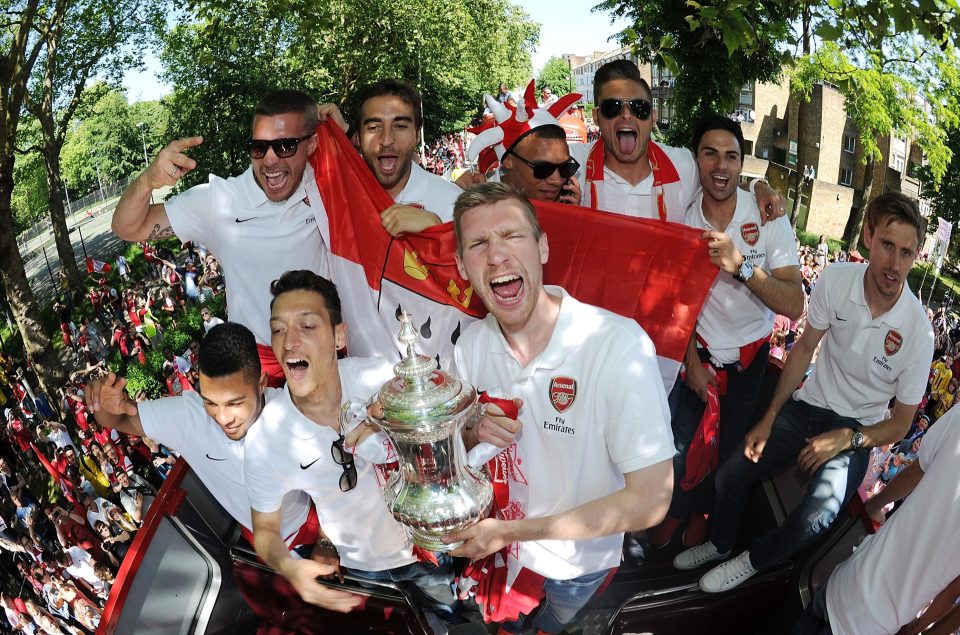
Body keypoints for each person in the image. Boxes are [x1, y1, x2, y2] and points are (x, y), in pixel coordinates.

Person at [442, 183, 675, 633]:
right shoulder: (470, 345)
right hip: (500, 558)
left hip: (574, 571)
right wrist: (472, 432)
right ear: (461, 265)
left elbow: (650, 501)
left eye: (511, 236)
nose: (496, 256)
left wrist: (508, 533)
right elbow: (466, 446)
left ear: (543, 247)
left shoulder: (617, 346)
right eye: (477, 244)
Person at [673, 192, 934, 593]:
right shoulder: (837, 279)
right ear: (867, 236)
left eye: (906, 253)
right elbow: (804, 349)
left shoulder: (919, 333)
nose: (895, 265)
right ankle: (722, 544)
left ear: (916, 256)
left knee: (819, 513)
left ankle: (750, 561)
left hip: (858, 431)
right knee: (732, 472)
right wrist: (770, 417)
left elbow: (900, 424)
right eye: (887, 246)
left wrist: (849, 438)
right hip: (808, 405)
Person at [245, 270, 477, 625]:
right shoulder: (266, 439)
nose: (289, 341)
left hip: (424, 550)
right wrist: (287, 567)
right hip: (361, 569)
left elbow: (447, 443)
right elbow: (264, 528)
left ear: (339, 336)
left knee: (446, 612)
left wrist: (390, 428)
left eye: (307, 326)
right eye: (278, 329)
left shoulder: (384, 379)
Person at [648, 115, 804, 549]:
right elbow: (673, 298)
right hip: (695, 358)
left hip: (748, 367)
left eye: (731, 156)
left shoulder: (767, 215)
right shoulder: (682, 212)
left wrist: (744, 267)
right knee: (678, 443)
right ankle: (676, 510)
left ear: (742, 163)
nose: (721, 165)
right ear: (696, 158)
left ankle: (701, 514)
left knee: (729, 448)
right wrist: (692, 364)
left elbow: (795, 303)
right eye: (710, 153)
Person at [111, 89, 331, 385]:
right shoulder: (219, 201)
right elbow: (128, 227)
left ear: (312, 144)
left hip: (331, 354)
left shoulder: (329, 181)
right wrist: (147, 181)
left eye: (286, 146)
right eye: (259, 147)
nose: (269, 160)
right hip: (265, 371)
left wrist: (340, 131)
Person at [84, 322, 313, 547]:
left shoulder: (293, 414)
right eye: (210, 402)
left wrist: (325, 541)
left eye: (235, 402)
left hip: (312, 529)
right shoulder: (190, 417)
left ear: (261, 384)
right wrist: (100, 405)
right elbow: (120, 419)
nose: (223, 418)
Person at [792, 405, 960, 635]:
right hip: (875, 623)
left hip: (847, 582)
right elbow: (952, 594)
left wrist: (871, 506)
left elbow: (913, 474)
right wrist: (917, 629)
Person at [569, 59, 783, 223]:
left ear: (653, 117)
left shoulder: (683, 165)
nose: (626, 115)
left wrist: (758, 187)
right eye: (612, 107)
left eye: (639, 108)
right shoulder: (572, 165)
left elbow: (719, 183)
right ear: (596, 116)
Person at [334, 79, 462, 232]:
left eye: (400, 126)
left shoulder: (454, 205)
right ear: (358, 138)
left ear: (417, 134)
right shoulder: (336, 202)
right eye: (374, 128)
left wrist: (439, 234)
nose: (387, 140)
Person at [467, 80, 583, 204]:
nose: (557, 180)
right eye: (543, 169)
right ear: (508, 161)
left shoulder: (565, 201)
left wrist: (570, 218)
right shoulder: (477, 210)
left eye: (565, 168)